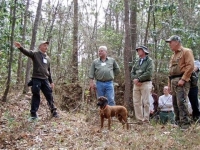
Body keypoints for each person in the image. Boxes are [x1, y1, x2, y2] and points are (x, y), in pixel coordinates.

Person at [14, 41, 58, 120]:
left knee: (49, 95)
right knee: (36, 94)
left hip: (45, 79)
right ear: (40, 46)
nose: (46, 47)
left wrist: (51, 82)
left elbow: (49, 71)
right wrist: (20, 47)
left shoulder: (48, 58)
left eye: (47, 46)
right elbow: (27, 52)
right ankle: (33, 114)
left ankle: (54, 112)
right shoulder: (35, 54)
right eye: (44, 45)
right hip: (36, 78)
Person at [166, 35, 194, 129]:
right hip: (173, 80)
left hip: (181, 80)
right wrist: (169, 85)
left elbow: (190, 66)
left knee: (181, 102)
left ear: (177, 42)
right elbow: (170, 72)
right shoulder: (173, 55)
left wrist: (183, 79)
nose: (169, 44)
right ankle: (178, 122)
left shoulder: (186, 51)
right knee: (174, 102)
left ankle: (185, 124)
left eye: (171, 42)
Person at [131, 46, 153, 124]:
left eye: (139, 50)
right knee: (136, 102)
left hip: (146, 83)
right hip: (136, 84)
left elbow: (149, 73)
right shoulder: (137, 61)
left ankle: (146, 119)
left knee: (146, 102)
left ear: (144, 51)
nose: (138, 51)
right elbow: (132, 72)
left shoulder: (149, 61)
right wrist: (135, 80)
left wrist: (139, 79)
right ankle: (139, 120)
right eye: (138, 50)